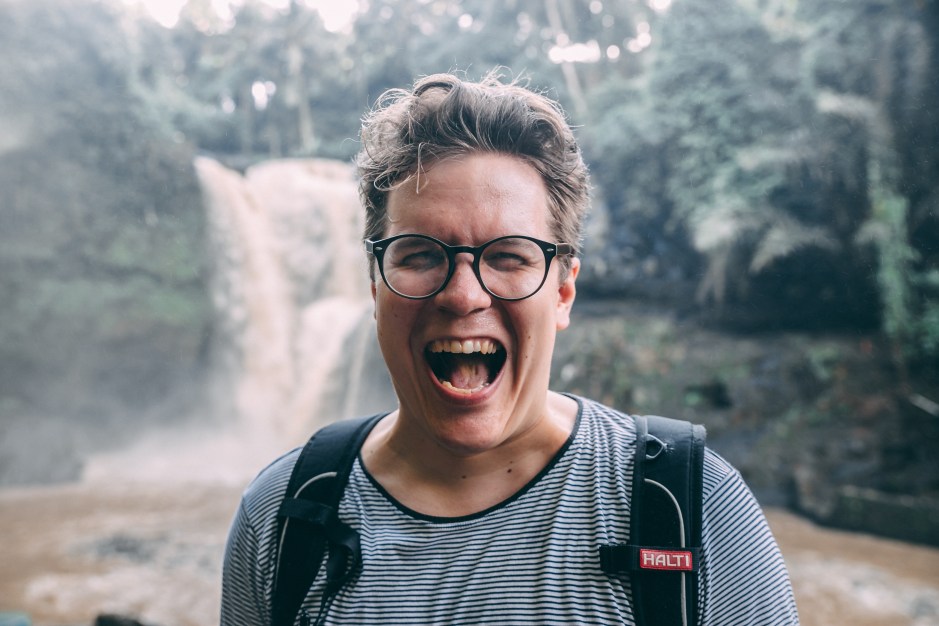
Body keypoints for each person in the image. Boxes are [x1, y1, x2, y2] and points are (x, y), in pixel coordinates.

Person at [221, 72, 800, 625]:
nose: (463, 295)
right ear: (375, 286)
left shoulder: (691, 510)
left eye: (508, 256)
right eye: (419, 254)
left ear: (563, 292)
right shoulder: (280, 518)